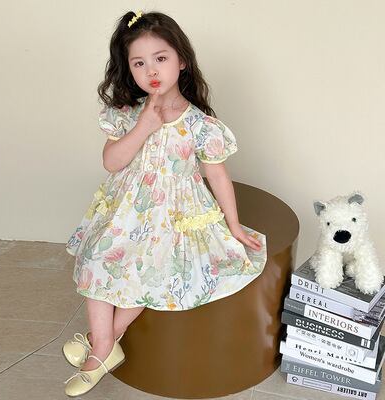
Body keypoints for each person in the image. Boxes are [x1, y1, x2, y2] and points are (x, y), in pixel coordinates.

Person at [62, 9, 264, 396]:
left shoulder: (201, 125)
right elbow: (112, 162)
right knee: (96, 258)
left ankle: (101, 346)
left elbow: (217, 176)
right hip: (126, 209)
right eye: (139, 63)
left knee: (150, 268)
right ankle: (104, 345)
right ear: (129, 69)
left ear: (181, 60)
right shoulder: (127, 114)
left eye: (160, 58)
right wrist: (144, 126)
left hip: (174, 214)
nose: (151, 70)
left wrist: (234, 225)